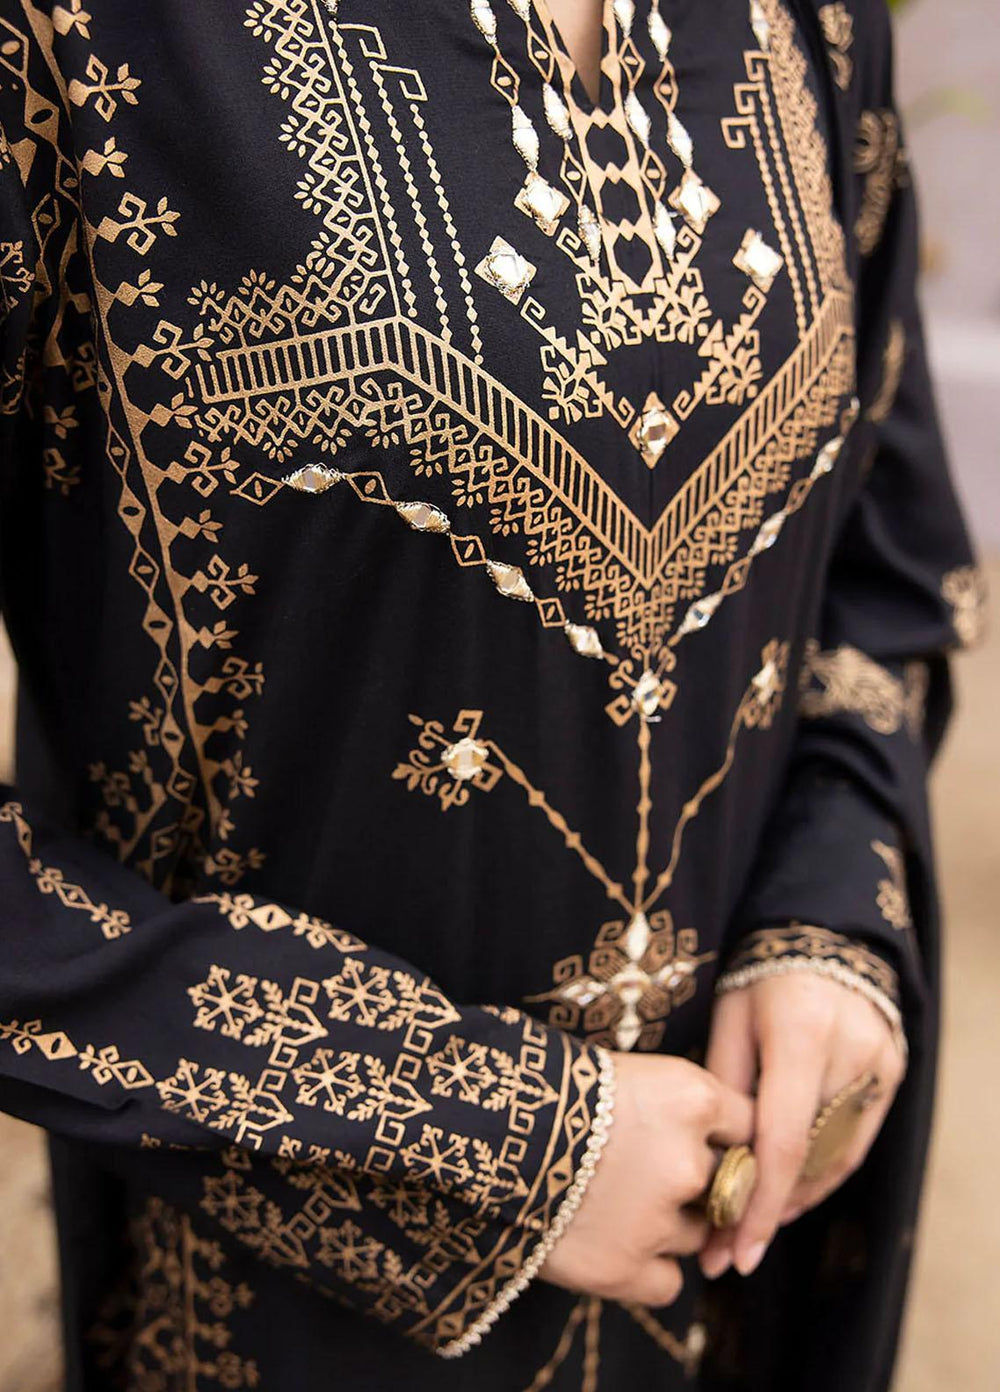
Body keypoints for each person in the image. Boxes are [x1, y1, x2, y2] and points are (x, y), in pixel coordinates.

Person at [0, 0, 984, 1388]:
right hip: (271, 1315)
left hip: (731, 1276)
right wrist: (489, 1134)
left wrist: (828, 918)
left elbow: (878, 560)